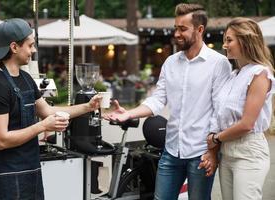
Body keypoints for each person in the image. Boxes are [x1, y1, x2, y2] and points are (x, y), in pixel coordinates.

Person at [104, 3, 232, 200]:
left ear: (199, 30)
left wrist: (212, 151)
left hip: (201, 152)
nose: (177, 34)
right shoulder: (170, 62)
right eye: (175, 28)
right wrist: (129, 113)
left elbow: (219, 111)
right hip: (171, 150)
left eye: (183, 29)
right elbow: (157, 100)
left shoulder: (218, 63)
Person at [0, 18, 102, 200]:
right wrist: (43, 127)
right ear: (14, 47)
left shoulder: (26, 78)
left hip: (31, 167)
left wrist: (87, 106)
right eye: (30, 45)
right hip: (7, 173)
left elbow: (47, 112)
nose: (34, 50)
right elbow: (1, 140)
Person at [207, 17, 274, 200]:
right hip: (227, 152)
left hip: (249, 152)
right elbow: (219, 113)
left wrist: (215, 138)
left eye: (229, 40)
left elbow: (246, 124)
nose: (224, 45)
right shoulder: (234, 75)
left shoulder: (260, 73)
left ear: (245, 40)